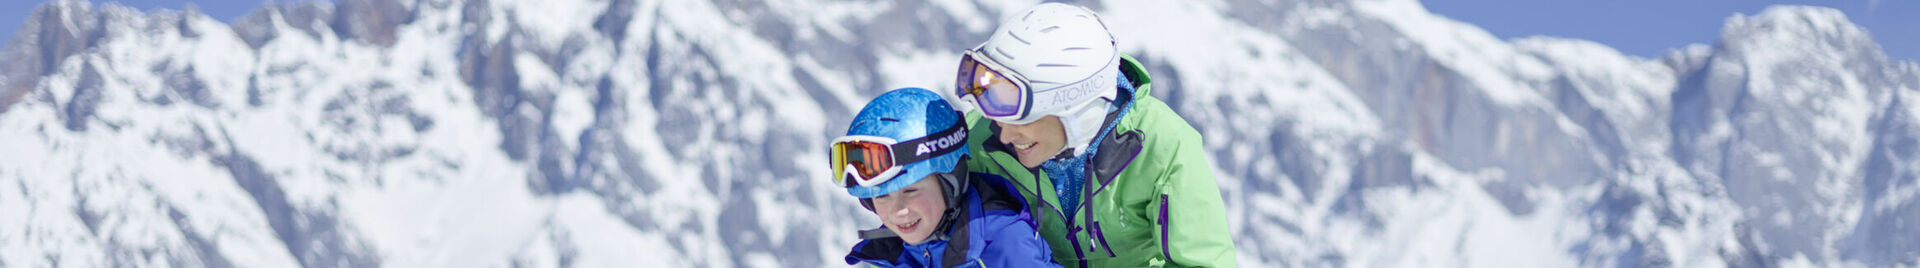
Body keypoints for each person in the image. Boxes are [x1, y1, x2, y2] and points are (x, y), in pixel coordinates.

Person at [949, 3, 1238, 267]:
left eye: (1023, 120)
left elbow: (1205, 262)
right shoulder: (979, 140)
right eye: (996, 119)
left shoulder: (1162, 146)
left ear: (1076, 110)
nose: (1003, 135)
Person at [834, 88, 1061, 268]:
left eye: (910, 191)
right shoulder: (890, 254)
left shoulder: (1003, 243)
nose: (898, 210)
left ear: (950, 183)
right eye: (881, 196)